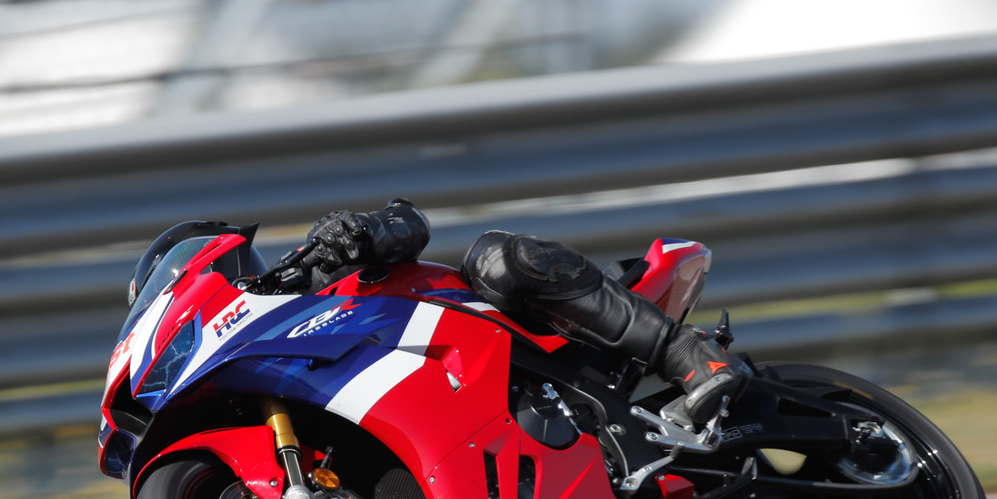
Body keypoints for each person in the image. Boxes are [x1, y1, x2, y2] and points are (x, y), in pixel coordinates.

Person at [299, 199, 748, 427]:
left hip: (513, 348)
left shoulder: (298, 282)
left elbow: (408, 221)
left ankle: (685, 353)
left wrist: (359, 231)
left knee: (496, 258)